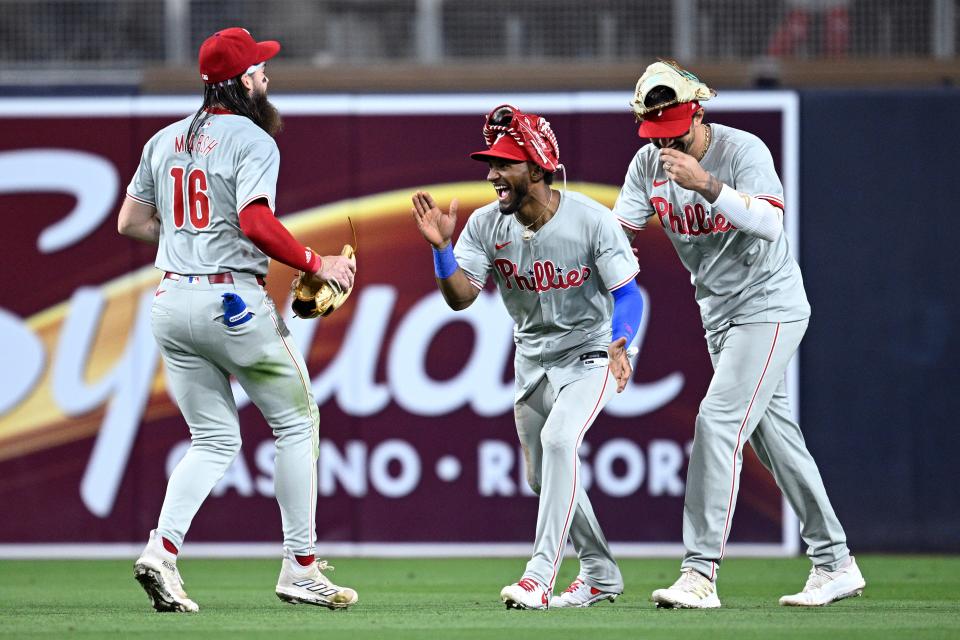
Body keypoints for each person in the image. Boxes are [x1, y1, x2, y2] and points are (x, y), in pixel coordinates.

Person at [118, 26, 358, 613]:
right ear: (241, 82)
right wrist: (315, 261)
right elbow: (254, 223)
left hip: (172, 301)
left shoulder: (163, 139)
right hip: (231, 303)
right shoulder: (253, 139)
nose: (266, 78)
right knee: (298, 424)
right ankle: (300, 567)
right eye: (259, 71)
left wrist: (187, 236)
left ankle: (162, 552)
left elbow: (130, 221)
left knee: (213, 438)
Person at [612, 60, 865, 608]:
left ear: (697, 114)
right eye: (654, 131)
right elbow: (619, 242)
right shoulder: (646, 166)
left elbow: (772, 221)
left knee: (718, 422)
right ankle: (836, 561)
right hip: (719, 315)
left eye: (674, 128)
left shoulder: (742, 150)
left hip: (770, 305)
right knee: (776, 442)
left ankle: (700, 573)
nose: (665, 142)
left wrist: (706, 184)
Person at [411, 104, 644, 610]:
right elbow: (461, 297)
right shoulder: (484, 226)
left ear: (536, 167)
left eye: (504, 163)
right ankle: (601, 572)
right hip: (532, 358)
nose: (492, 174)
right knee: (543, 476)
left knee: (561, 441)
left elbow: (629, 295)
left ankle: (539, 576)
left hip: (592, 352)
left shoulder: (590, 221)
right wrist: (442, 251)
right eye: (490, 163)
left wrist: (622, 338)